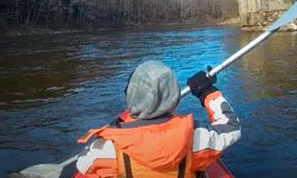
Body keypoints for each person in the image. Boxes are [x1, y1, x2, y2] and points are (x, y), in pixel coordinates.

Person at [74, 60, 241, 177]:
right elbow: (231, 127)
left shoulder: (104, 148)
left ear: (130, 95)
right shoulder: (196, 138)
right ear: (174, 97)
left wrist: (113, 128)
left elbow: (83, 165)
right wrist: (206, 91)